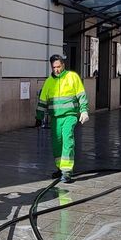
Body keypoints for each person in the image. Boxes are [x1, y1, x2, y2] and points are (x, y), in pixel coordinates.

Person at [35, 54, 89, 184]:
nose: (56, 69)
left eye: (58, 66)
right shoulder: (49, 82)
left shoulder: (72, 77)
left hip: (70, 116)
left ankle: (67, 171)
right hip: (55, 118)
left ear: (63, 65)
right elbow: (42, 101)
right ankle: (60, 168)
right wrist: (39, 117)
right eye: (54, 67)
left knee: (67, 140)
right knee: (57, 144)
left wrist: (84, 111)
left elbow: (81, 95)